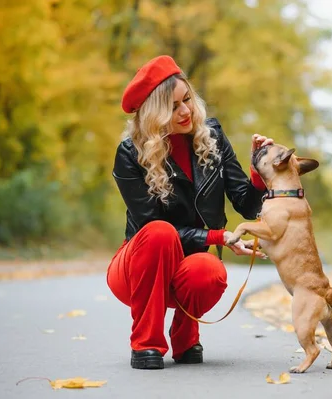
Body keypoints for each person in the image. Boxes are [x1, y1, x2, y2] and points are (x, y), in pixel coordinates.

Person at [106, 55, 273, 370]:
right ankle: (146, 345)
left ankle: (186, 341)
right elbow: (149, 225)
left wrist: (259, 169)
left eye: (187, 100)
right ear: (154, 114)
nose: (186, 111)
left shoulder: (211, 136)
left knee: (208, 270)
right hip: (138, 270)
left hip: (185, 271)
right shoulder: (130, 153)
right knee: (160, 232)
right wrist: (217, 236)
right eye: (172, 107)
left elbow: (248, 205)